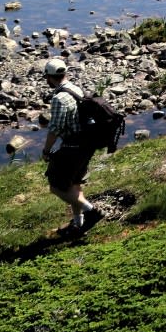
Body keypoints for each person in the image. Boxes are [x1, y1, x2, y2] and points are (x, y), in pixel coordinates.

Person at [40, 57, 104, 237]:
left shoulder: (59, 99)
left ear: (49, 77)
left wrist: (46, 151)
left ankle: (91, 212)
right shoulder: (76, 89)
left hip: (71, 147)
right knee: (74, 184)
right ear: (65, 73)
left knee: (56, 186)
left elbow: (55, 129)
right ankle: (78, 224)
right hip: (86, 144)